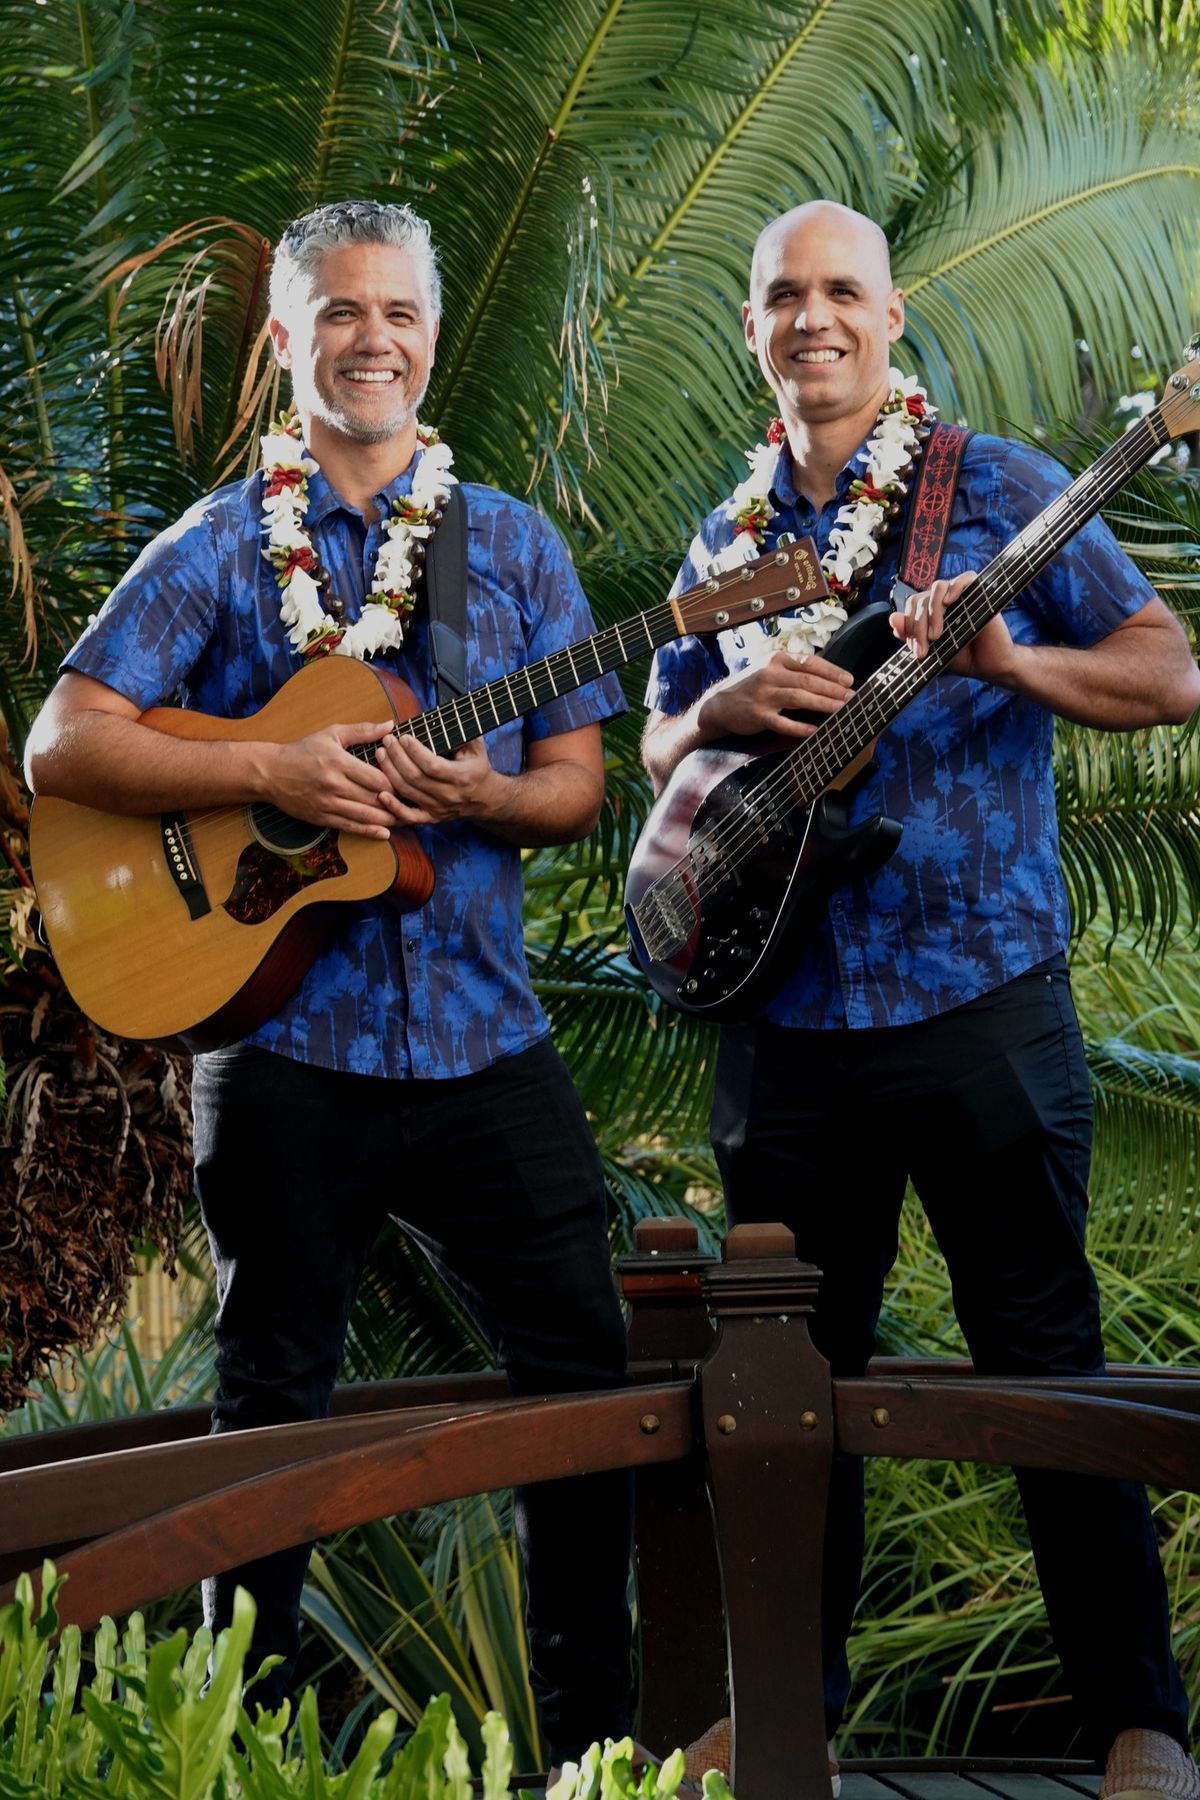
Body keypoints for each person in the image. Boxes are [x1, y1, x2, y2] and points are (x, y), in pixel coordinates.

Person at [24, 199, 634, 1766]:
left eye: (401, 313)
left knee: (589, 1384)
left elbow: (576, 780)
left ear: (433, 335)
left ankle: (592, 1755)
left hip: (488, 1042)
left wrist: (483, 800)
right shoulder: (227, 545)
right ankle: (246, 1750)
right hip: (284, 1041)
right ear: (286, 340)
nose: (375, 339)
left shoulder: (511, 545)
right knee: (268, 1404)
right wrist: (272, 760)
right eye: (341, 313)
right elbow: (63, 741)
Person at [641, 199, 1200, 1800]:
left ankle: (1136, 1723)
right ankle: (783, 1712)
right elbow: (664, 745)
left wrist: (1011, 664)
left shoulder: (1003, 487)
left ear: (892, 321)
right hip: (788, 1021)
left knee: (1048, 1358)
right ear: (755, 329)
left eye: (842, 294)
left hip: (976, 1009)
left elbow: (1165, 672)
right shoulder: (731, 533)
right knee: (783, 1388)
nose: (812, 319)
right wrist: (721, 709)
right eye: (782, 297)